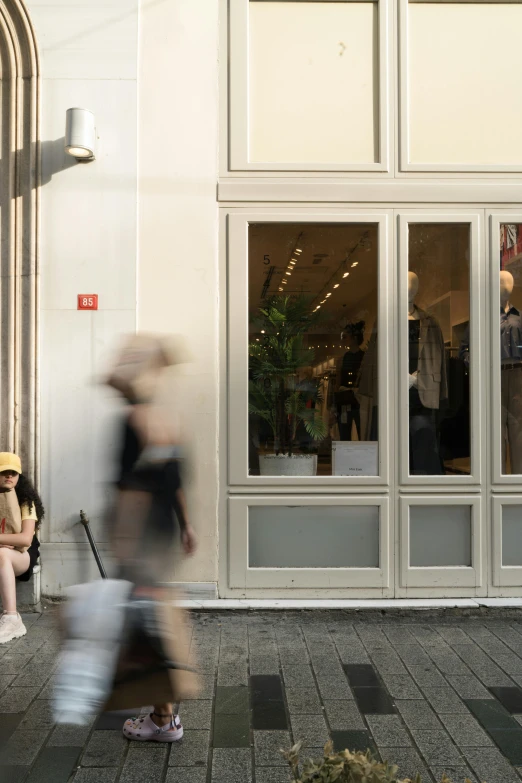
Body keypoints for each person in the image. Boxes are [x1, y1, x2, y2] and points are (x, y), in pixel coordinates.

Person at [106, 334, 197, 743]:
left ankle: (163, 720)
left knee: (145, 622)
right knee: (150, 618)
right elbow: (174, 480)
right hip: (163, 532)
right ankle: (162, 716)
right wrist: (187, 525)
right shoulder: (165, 420)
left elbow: (133, 488)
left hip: (141, 535)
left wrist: (123, 538)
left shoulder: (131, 421)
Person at [0, 452, 44, 643]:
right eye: (4, 472)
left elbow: (25, 540)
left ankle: (12, 618)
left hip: (22, 556)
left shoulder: (26, 501)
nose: (9, 476)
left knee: (2, 553)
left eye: (14, 473)